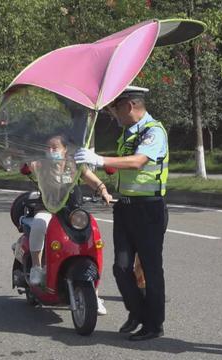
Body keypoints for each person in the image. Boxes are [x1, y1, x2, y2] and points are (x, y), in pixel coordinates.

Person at [74, 85, 168, 341]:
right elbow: (122, 165)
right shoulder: (128, 133)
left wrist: (101, 160)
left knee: (150, 268)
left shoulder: (154, 131)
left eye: (116, 109)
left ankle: (153, 324)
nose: (114, 115)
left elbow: (138, 161)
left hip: (149, 208)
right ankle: (137, 312)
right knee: (121, 267)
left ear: (130, 106)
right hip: (125, 207)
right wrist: (93, 164)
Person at [27, 134, 112, 315]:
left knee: (91, 237)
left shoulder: (76, 165)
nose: (51, 151)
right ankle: (36, 267)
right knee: (39, 223)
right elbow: (28, 164)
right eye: (48, 148)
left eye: (55, 147)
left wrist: (104, 191)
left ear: (65, 149)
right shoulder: (41, 165)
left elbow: (94, 181)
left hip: (72, 214)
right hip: (49, 210)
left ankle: (94, 294)